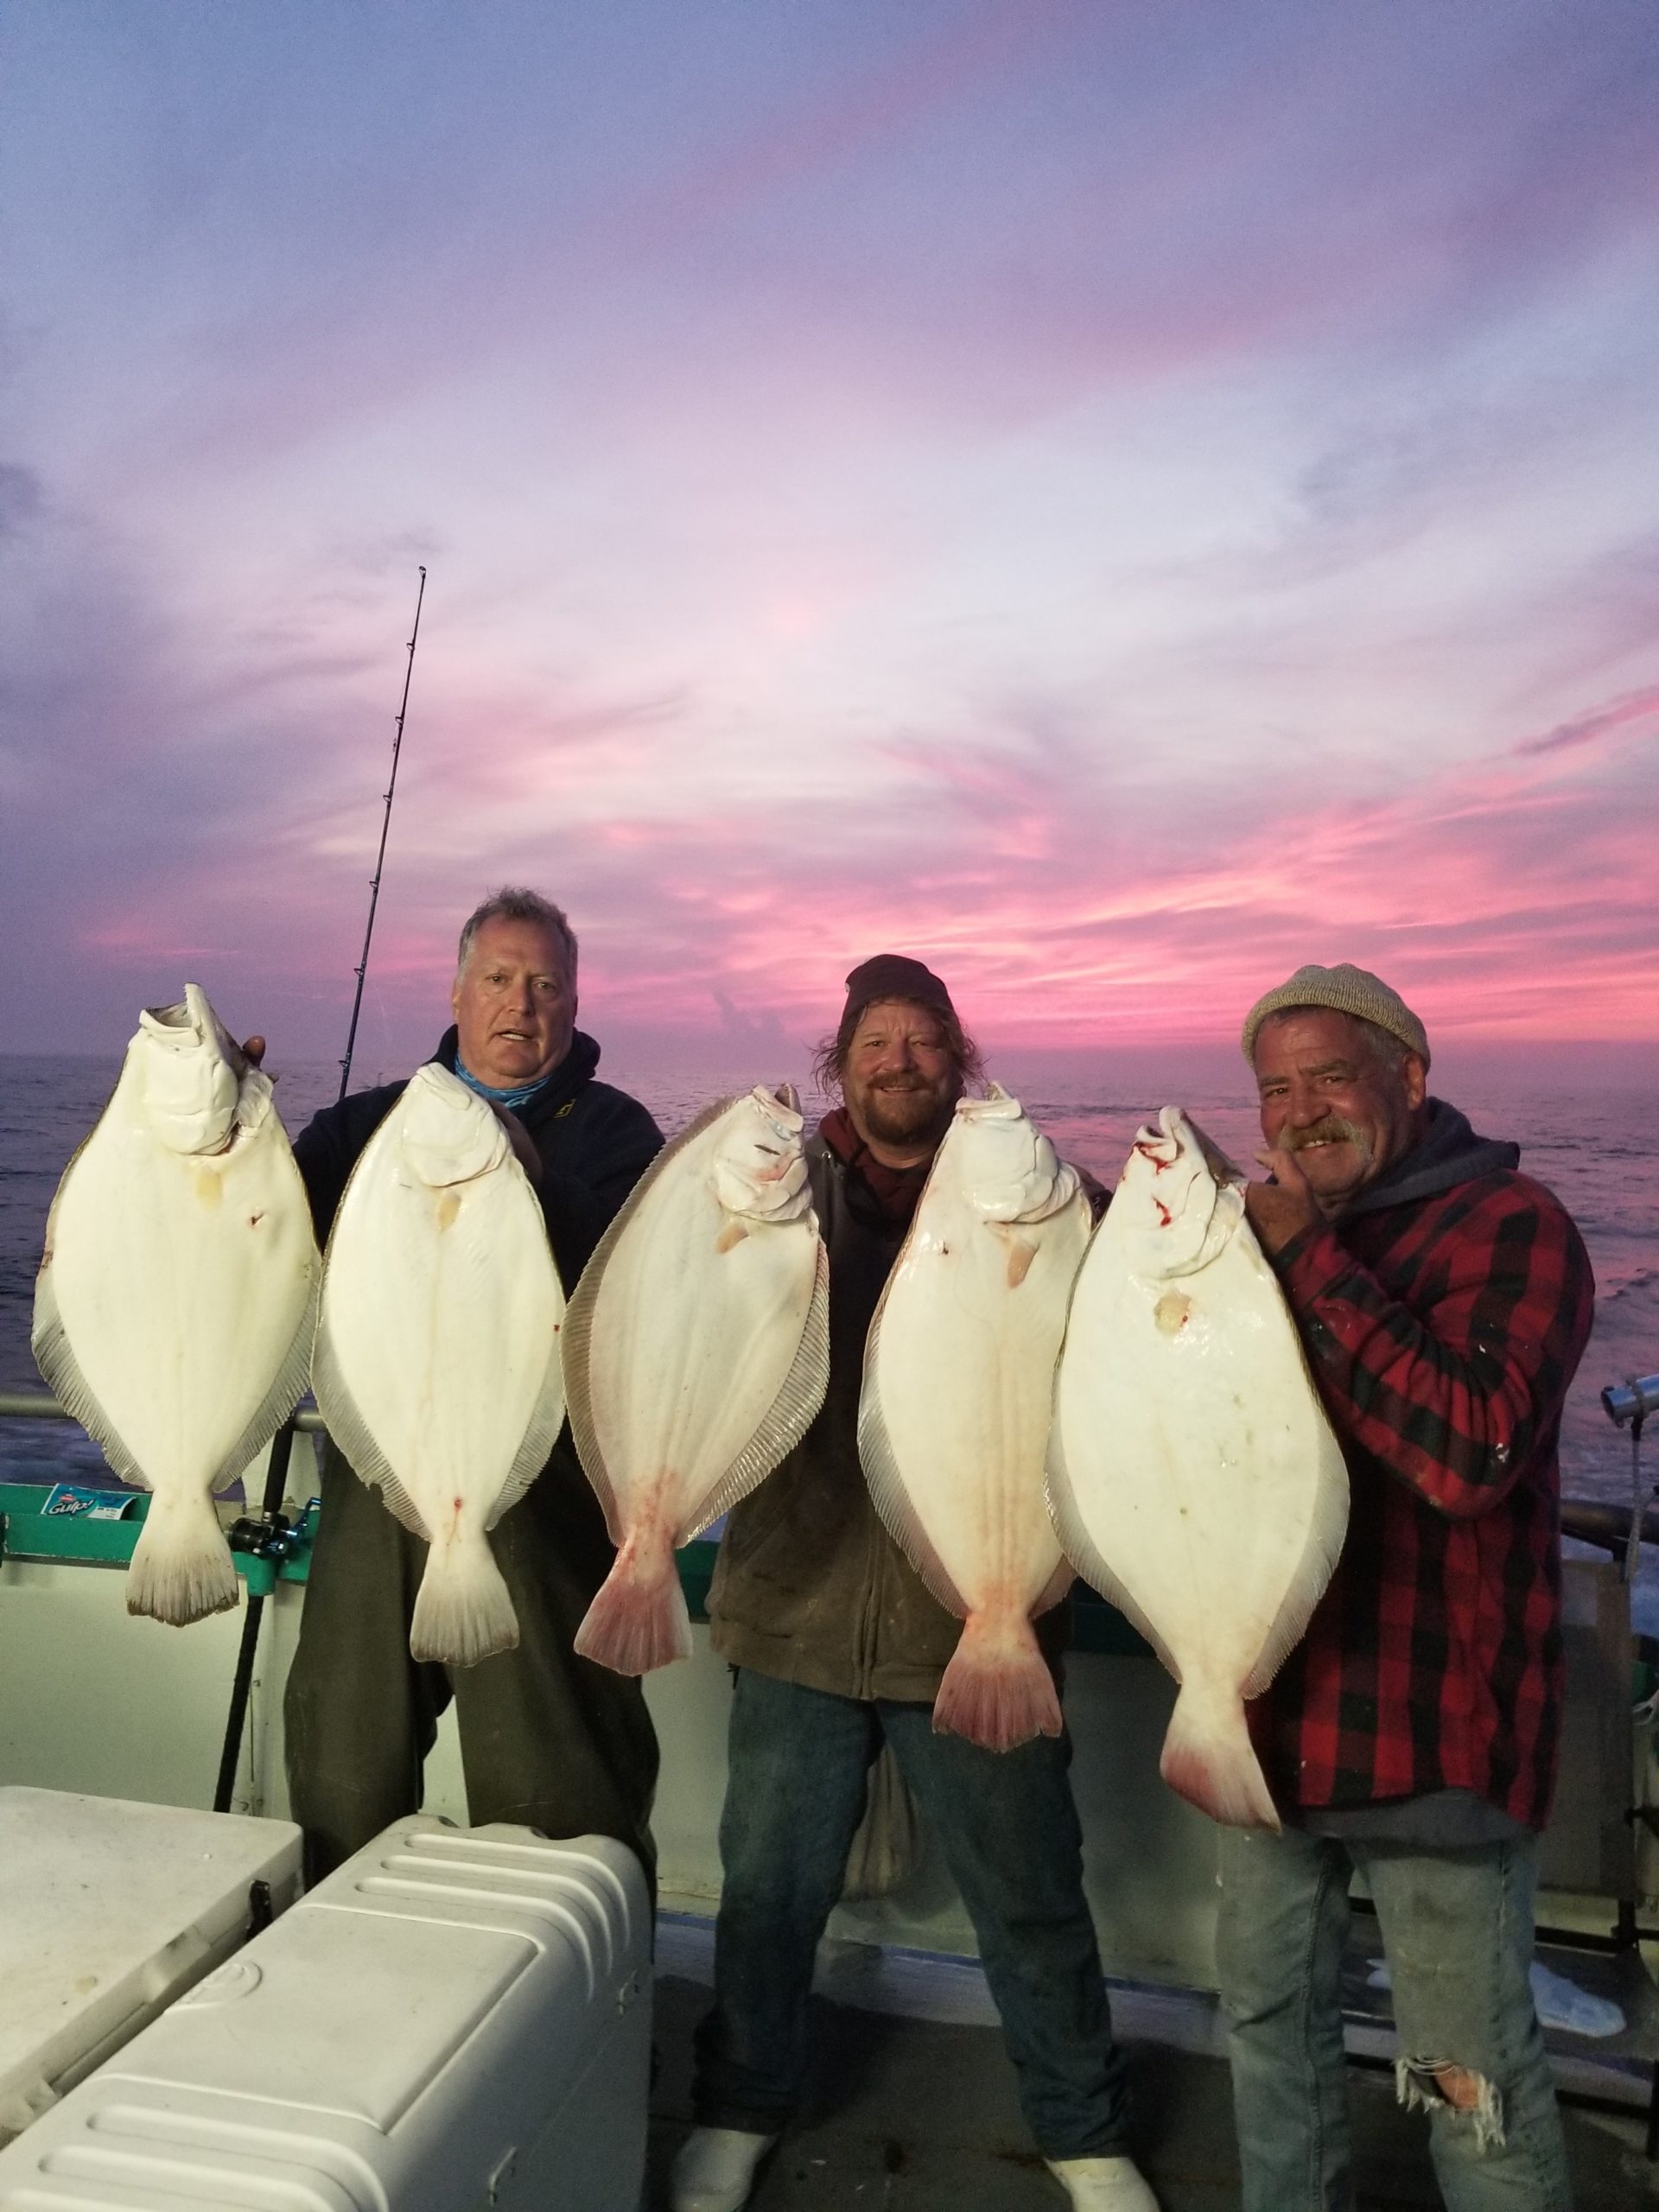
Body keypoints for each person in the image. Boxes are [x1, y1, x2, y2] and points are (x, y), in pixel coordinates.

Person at [673, 955, 1159, 2212]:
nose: (901, 1060)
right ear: (841, 1061)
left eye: (924, 1038)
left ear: (963, 1057)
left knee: (1032, 1894)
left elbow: (1144, 1309)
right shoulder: (781, 1183)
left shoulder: (1040, 1195)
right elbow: (669, 1300)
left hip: (982, 1615)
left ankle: (1080, 2131)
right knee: (769, 1896)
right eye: (876, 1041)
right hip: (795, 1606)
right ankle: (741, 2105)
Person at [1218, 962, 1594, 2212]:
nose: (1300, 1110)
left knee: (1462, 2067)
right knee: (1268, 2030)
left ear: (1411, 1077)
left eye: (1330, 1075)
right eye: (1276, 1089)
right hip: (1263, 1718)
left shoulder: (1513, 1222)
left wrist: (1311, 1260)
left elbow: (1472, 1449)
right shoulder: (1250, 1246)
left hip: (1427, 1731)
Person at [281, 887, 664, 1887]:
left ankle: (584, 2002)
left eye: (546, 984)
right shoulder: (363, 1124)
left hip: (547, 1503)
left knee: (562, 1796)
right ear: (456, 992)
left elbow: (640, 1292)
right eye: (498, 978)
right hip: (375, 1489)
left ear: (575, 1006)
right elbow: (265, 1235)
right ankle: (338, 1980)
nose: (520, 1004)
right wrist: (221, 1137)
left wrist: (530, 1177)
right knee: (343, 1768)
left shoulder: (620, 1136)